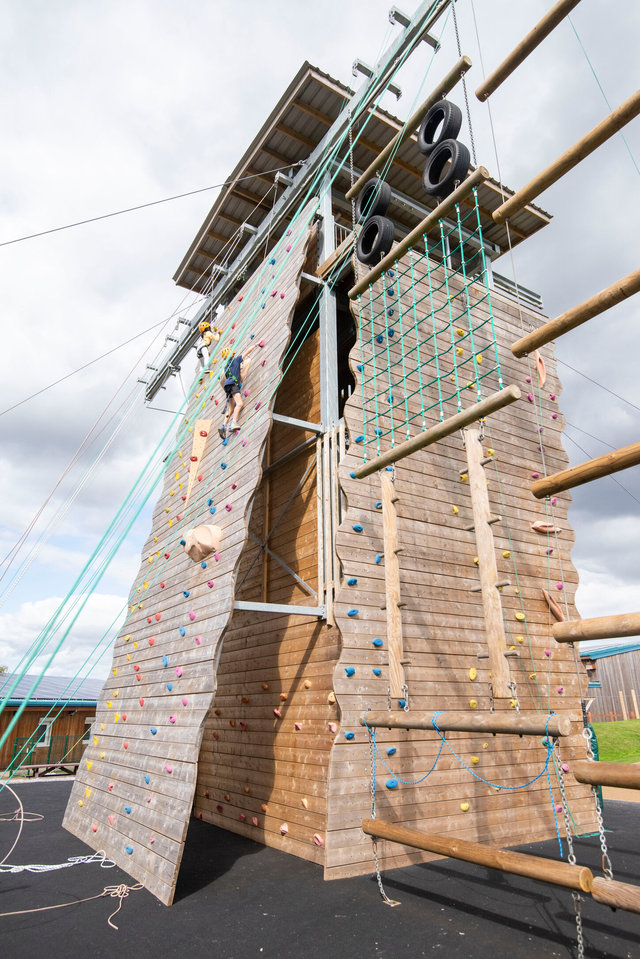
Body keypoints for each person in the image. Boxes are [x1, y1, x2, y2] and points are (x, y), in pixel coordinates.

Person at [219, 340, 257, 437]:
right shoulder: (236, 360)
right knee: (239, 404)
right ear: (231, 355)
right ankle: (233, 423)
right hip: (233, 385)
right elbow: (247, 352)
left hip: (227, 387)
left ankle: (224, 426)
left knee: (231, 408)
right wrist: (256, 344)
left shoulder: (226, 367)